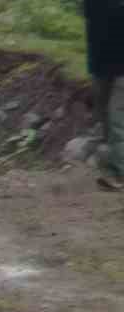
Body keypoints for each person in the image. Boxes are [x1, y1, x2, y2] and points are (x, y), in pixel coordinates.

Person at [85, 0, 124, 190]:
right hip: (102, 66)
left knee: (117, 116)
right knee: (105, 117)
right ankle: (111, 167)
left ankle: (120, 174)